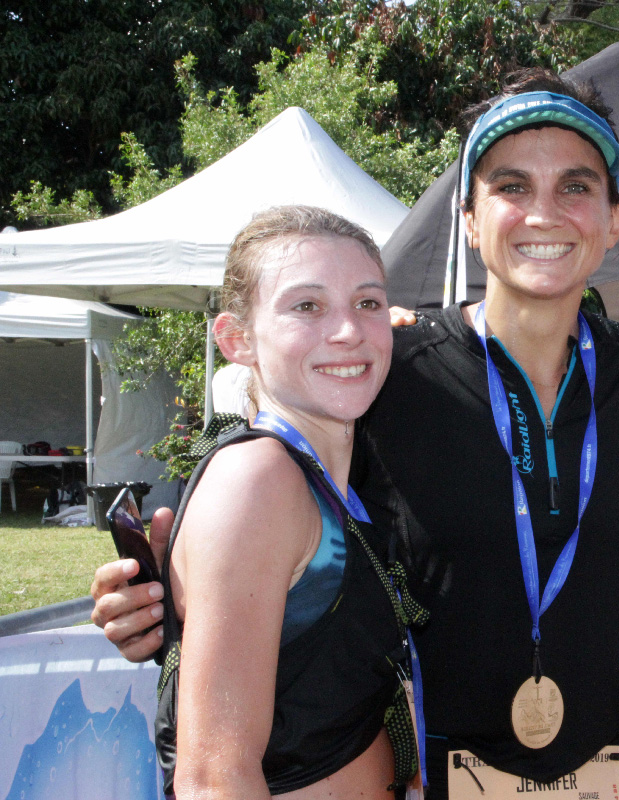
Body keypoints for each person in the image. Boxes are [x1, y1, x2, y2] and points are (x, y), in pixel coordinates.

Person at [92, 70, 619, 799]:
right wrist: (165, 601)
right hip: (437, 776)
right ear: (469, 219)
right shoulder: (392, 369)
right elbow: (269, 522)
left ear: (615, 219)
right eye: (511, 187)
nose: (545, 213)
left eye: (575, 187)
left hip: (593, 771)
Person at [134, 206, 426, 799]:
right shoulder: (258, 479)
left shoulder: (334, 478)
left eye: (368, 303)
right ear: (237, 339)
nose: (347, 330)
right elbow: (214, 779)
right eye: (307, 306)